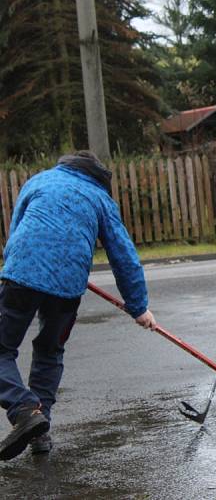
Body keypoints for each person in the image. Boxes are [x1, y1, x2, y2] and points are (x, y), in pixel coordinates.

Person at [0, 150, 157, 461]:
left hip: (22, 275)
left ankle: (27, 411)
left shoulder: (39, 181)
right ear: (100, 179)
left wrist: (14, 264)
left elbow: (17, 229)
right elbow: (123, 255)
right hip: (68, 285)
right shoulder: (99, 197)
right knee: (50, 350)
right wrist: (139, 307)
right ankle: (39, 428)